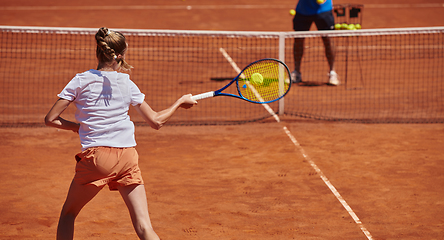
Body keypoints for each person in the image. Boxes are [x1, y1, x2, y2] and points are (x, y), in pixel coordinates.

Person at [44, 27, 197, 240]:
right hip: (127, 157)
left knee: (68, 214)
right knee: (144, 227)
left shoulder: (80, 80)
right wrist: (180, 102)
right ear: (121, 55)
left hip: (97, 159)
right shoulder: (127, 83)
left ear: (97, 51)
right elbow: (156, 121)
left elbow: (50, 119)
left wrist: (77, 127)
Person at [292, 0, 339, 85]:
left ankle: (332, 72)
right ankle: (296, 72)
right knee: (298, 39)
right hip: (303, 10)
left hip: (324, 10)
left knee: (328, 40)